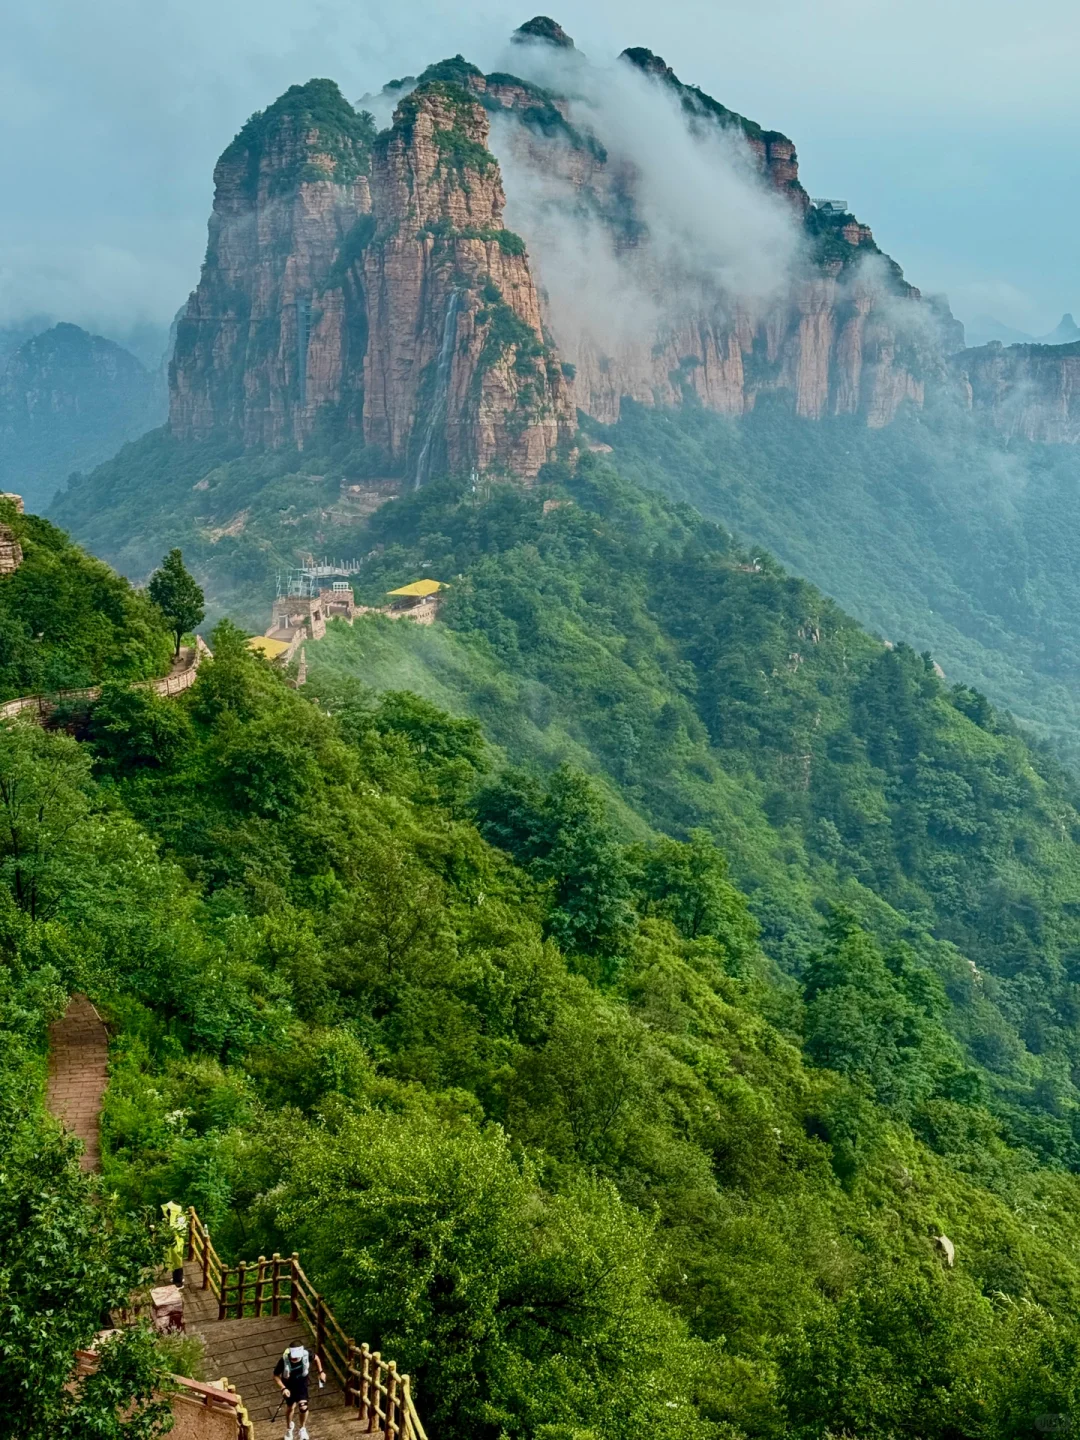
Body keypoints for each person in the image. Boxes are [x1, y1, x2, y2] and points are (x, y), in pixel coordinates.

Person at [274, 1341, 326, 1440]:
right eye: (293, 1357)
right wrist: (283, 1388)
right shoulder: (284, 1360)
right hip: (288, 1385)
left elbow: (316, 1358)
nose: (295, 1359)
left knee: (303, 1407)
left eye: (297, 1357)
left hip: (302, 1383)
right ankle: (289, 1429)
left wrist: (321, 1372)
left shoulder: (307, 1355)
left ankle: (302, 1428)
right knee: (290, 1407)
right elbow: (276, 1375)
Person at [161, 1201, 188, 1288]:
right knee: (174, 1260)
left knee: (177, 1261)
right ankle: (176, 1278)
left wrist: (172, 1231)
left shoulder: (180, 1217)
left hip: (177, 1242)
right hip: (173, 1241)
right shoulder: (174, 1217)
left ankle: (179, 1282)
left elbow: (181, 1230)